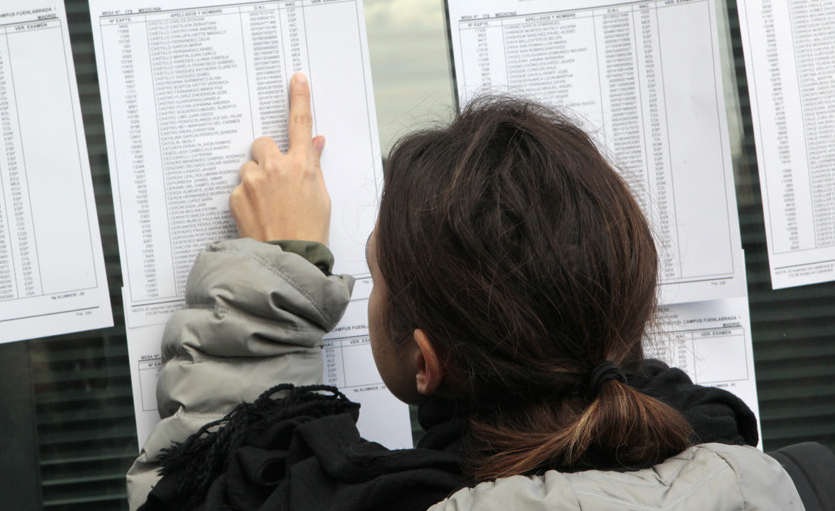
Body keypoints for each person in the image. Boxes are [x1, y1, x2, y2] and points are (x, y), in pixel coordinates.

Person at [127, 74, 803, 510]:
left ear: (425, 362)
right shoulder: (773, 476)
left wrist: (277, 272)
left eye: (376, 272)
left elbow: (195, 489)